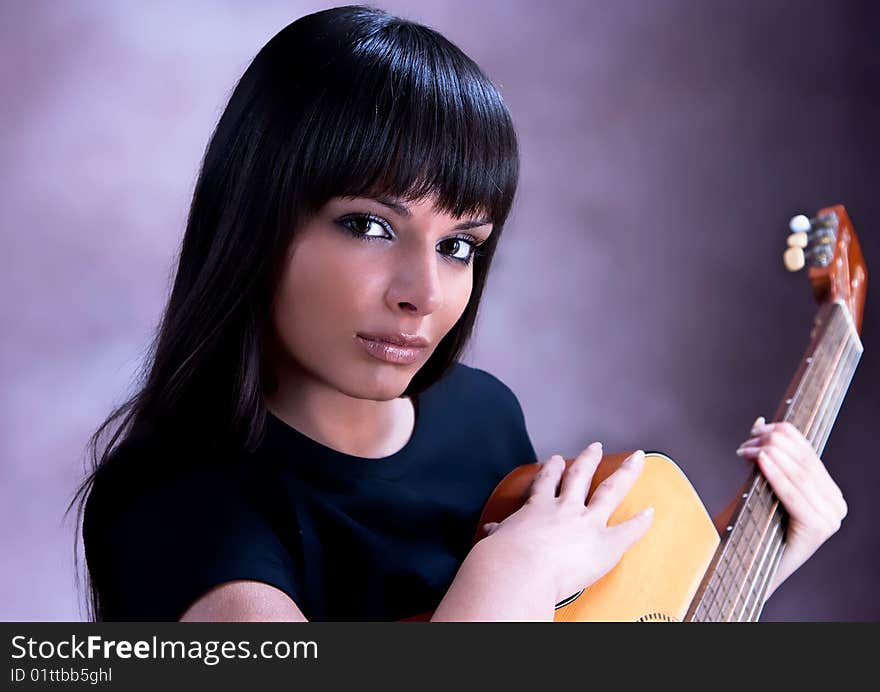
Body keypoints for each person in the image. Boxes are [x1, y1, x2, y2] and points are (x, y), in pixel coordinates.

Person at [68, 5, 847, 622]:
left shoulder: (479, 417)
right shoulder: (176, 504)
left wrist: (756, 565)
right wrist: (511, 575)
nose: (424, 294)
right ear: (258, 221)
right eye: (371, 226)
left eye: (460, 246)